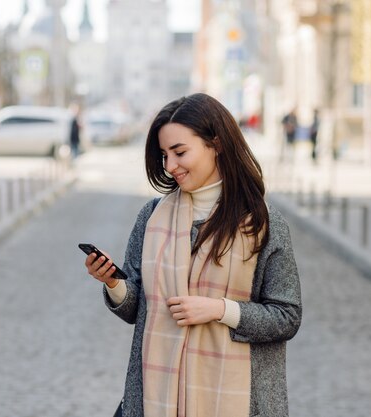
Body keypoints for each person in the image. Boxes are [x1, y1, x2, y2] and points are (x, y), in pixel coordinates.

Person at [83, 93, 302, 417]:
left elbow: (287, 316)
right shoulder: (152, 217)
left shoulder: (262, 224)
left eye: (180, 152)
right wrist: (113, 283)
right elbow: (136, 310)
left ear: (217, 144)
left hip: (241, 402)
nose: (170, 166)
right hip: (155, 399)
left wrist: (219, 309)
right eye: (164, 155)